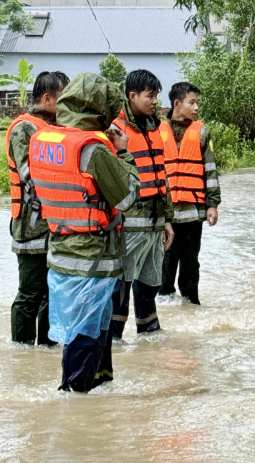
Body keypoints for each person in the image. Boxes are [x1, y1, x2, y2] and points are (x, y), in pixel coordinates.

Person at [28, 72, 139, 392]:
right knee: (85, 338)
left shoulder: (44, 141)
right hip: (92, 260)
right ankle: (74, 409)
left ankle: (96, 400)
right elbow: (129, 197)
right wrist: (123, 152)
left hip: (61, 254)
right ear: (99, 109)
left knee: (89, 333)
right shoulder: (93, 149)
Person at [109, 70, 175, 339]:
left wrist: (167, 220)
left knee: (151, 282)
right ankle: (112, 341)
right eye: (150, 96)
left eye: (157, 95)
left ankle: (149, 335)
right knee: (122, 283)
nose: (155, 101)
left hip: (155, 221)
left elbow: (162, 174)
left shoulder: (155, 126)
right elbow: (111, 178)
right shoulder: (115, 129)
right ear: (132, 96)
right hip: (130, 223)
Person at [6, 71, 69, 346]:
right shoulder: (24, 128)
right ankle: (20, 353)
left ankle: (46, 350)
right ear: (47, 98)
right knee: (30, 294)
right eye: (64, 97)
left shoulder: (58, 129)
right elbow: (28, 173)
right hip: (31, 226)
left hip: (56, 224)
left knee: (52, 294)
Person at [157, 82, 221, 305]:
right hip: (166, 213)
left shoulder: (202, 132)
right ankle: (165, 301)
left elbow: (210, 170)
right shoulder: (156, 130)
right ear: (177, 103)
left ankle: (191, 304)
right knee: (165, 260)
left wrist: (212, 204)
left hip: (194, 212)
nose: (196, 108)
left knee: (191, 262)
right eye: (191, 102)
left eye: (197, 103)